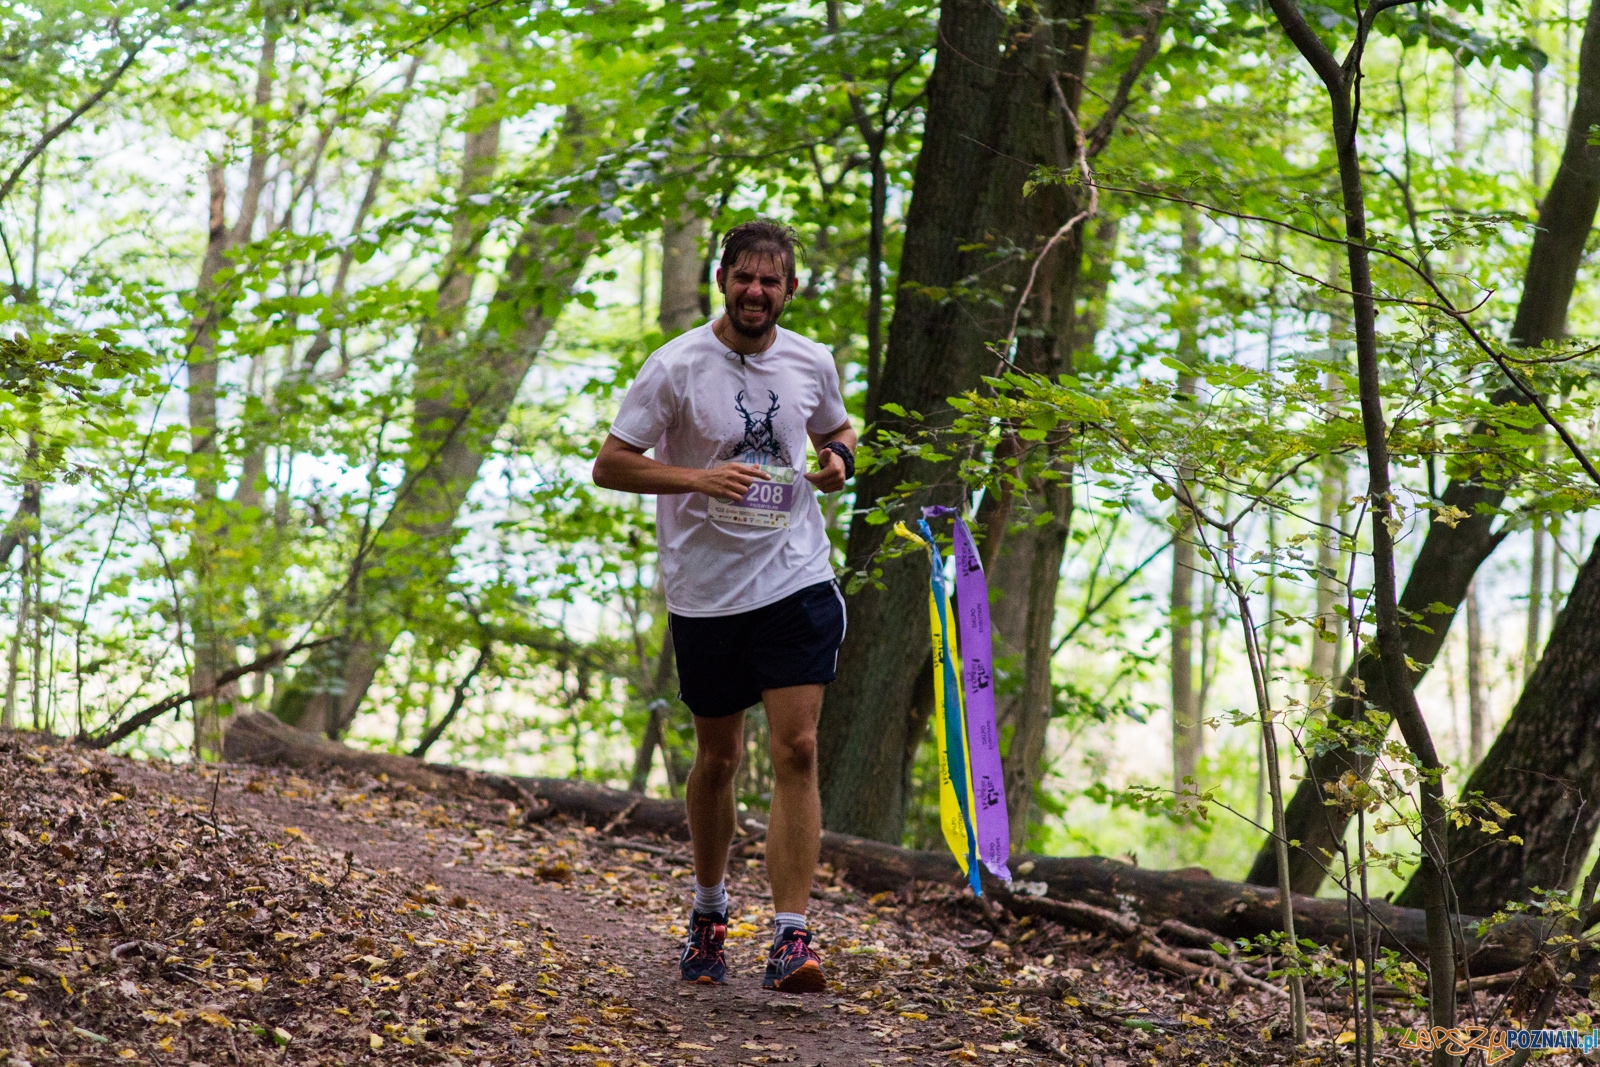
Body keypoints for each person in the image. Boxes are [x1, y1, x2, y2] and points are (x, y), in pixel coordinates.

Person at [592, 219, 856, 993]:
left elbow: (837, 428)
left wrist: (839, 459)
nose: (756, 291)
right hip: (706, 593)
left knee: (797, 747)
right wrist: (697, 478)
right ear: (722, 280)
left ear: (791, 289)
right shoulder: (675, 366)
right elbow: (610, 465)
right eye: (744, 277)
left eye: (771, 281)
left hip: (794, 577)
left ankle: (790, 934)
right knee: (719, 758)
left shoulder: (811, 360)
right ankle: (709, 911)